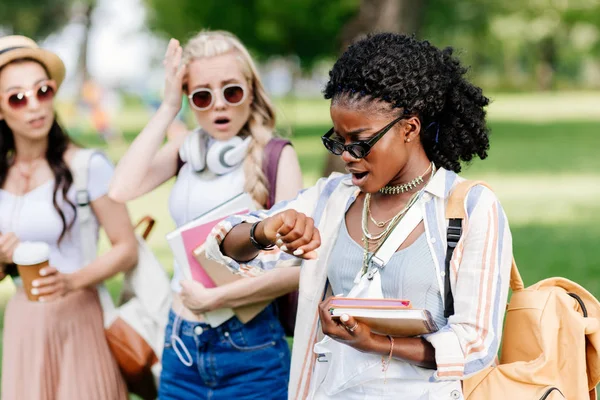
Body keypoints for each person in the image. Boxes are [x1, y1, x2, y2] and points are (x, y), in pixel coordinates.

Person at [204, 33, 514, 400]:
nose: (347, 155)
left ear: (409, 129)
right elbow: (222, 246)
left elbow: (476, 344)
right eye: (337, 140)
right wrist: (264, 230)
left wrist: (378, 343)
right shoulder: (332, 198)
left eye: (360, 141)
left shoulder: (470, 208)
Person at [109, 30, 303, 399]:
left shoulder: (276, 156)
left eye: (231, 91)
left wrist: (216, 300)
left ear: (251, 89)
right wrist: (167, 108)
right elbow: (121, 189)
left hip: (250, 346)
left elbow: (294, 271)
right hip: (179, 340)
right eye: (202, 95)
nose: (218, 106)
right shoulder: (186, 151)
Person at [0, 35, 138, 399]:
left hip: (80, 319)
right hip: (23, 324)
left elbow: (127, 248)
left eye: (42, 91)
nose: (34, 106)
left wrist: (72, 281)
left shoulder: (87, 166)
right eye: (17, 97)